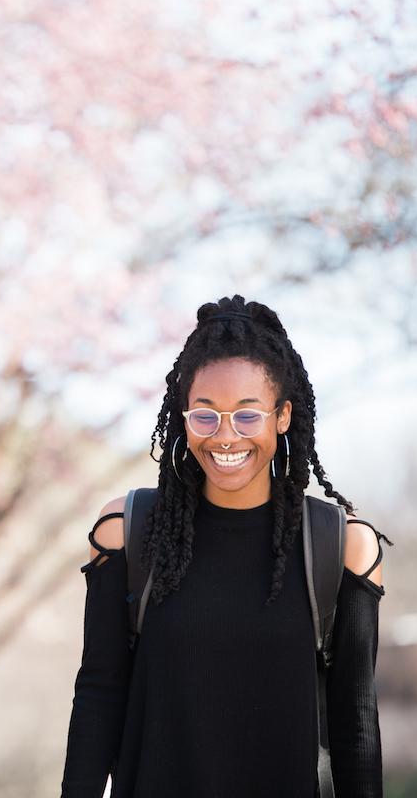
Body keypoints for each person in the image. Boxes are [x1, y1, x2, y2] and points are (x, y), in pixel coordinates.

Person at [61, 296, 387, 798]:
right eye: (206, 415)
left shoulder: (342, 547)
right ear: (184, 417)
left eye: (248, 415)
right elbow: (99, 696)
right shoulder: (126, 531)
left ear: (282, 417)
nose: (225, 436)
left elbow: (356, 724)